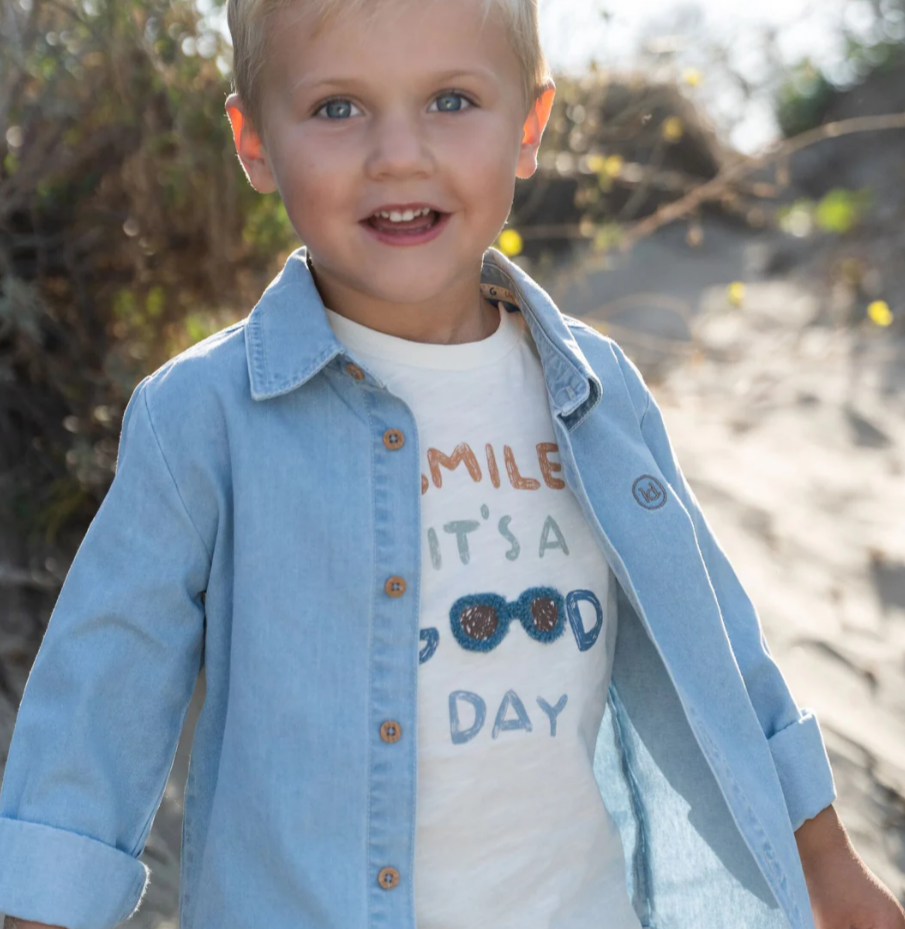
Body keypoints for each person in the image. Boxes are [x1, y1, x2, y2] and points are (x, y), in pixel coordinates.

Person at [1, 0, 904, 927]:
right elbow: (98, 705)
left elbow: (715, 643)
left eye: (451, 100)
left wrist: (823, 859)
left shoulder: (595, 392)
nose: (399, 155)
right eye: (337, 108)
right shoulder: (204, 417)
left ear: (529, 125)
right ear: (255, 142)